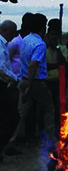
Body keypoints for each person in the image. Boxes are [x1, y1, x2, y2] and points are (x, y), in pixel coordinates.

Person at [5, 13, 56, 156]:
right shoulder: (40, 44)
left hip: (23, 80)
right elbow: (33, 65)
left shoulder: (25, 39)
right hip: (36, 82)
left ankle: (9, 141)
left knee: (21, 112)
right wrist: (30, 86)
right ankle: (50, 141)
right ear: (42, 27)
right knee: (49, 108)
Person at [0, 20, 20, 159]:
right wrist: (14, 79)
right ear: (6, 31)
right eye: (12, 32)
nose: (14, 36)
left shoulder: (4, 44)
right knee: (11, 118)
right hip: (3, 84)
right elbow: (1, 68)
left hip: (6, 83)